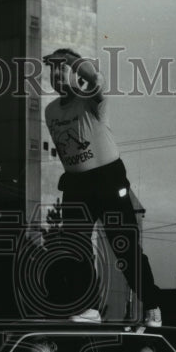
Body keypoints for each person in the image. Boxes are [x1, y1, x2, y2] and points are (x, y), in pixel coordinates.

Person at [43, 47, 162, 327]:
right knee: (74, 246)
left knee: (124, 246)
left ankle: (153, 305)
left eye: (62, 70)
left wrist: (71, 60)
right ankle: (88, 306)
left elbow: (96, 80)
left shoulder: (91, 100)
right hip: (76, 184)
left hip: (107, 180)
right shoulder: (50, 112)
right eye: (53, 71)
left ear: (75, 74)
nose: (57, 76)